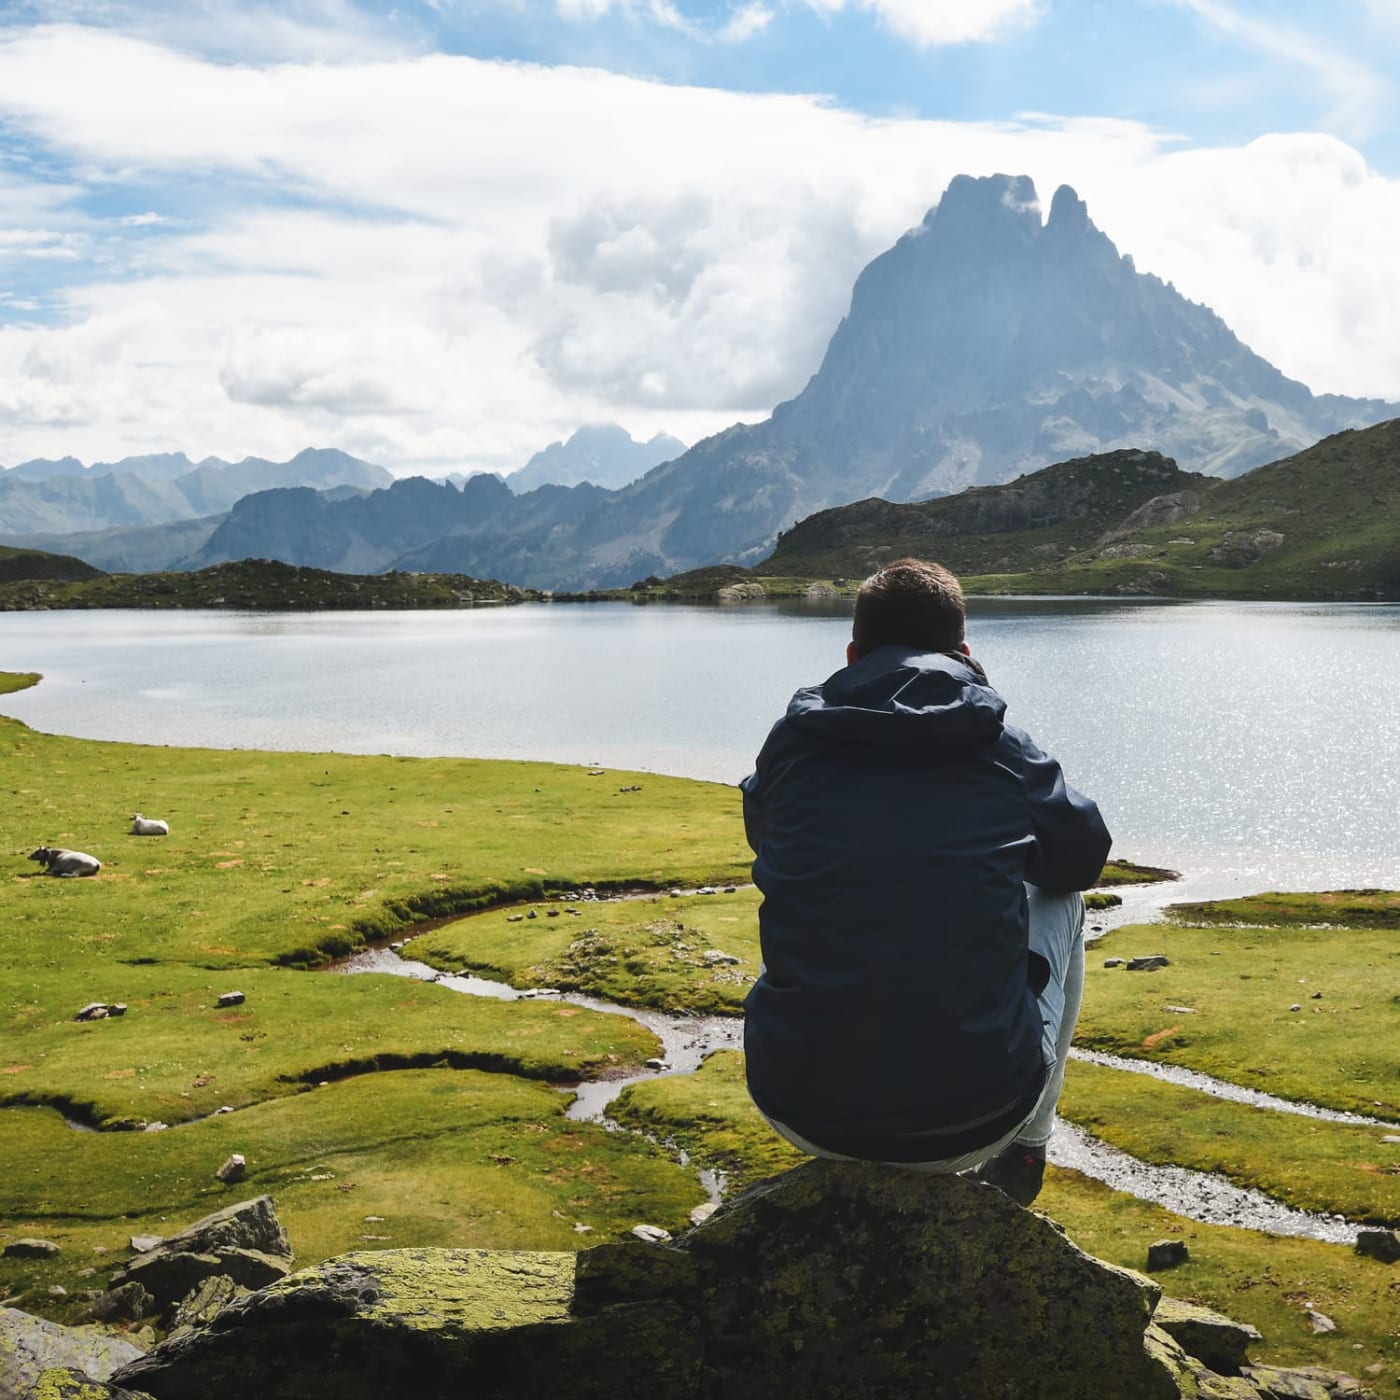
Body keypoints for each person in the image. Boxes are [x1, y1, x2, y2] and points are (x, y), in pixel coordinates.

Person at [740, 557, 1111, 1205]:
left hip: (798, 1108)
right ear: (964, 652)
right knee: (1063, 896)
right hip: (977, 1117)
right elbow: (1082, 856)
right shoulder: (1000, 745)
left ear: (853, 652)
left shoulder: (793, 742)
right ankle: (1028, 1147)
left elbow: (763, 835)